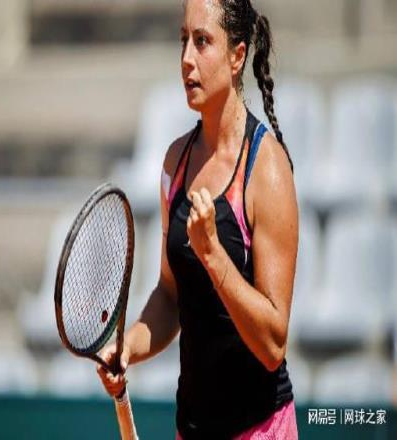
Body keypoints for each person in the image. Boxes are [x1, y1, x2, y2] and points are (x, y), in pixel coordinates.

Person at [97, 0, 299, 438]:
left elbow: (273, 345)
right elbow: (170, 294)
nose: (187, 58)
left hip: (260, 429)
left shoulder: (267, 169)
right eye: (183, 40)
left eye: (203, 41)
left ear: (237, 56)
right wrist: (128, 348)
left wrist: (213, 255)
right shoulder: (175, 161)